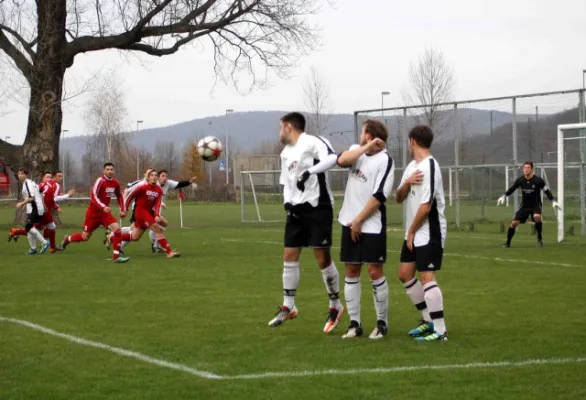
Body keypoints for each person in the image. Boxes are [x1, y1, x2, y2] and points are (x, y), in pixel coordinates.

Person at [267, 112, 344, 334]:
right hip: (296, 210)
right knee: (289, 254)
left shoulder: (312, 141)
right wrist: (287, 203)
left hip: (318, 206)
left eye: (280, 127)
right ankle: (288, 306)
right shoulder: (285, 153)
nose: (279, 131)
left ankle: (335, 306)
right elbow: (285, 183)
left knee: (322, 258)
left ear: (289, 127)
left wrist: (309, 171)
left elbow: (332, 158)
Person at [336, 119, 394, 340]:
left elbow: (380, 196)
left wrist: (359, 220)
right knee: (351, 269)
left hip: (371, 224)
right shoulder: (356, 151)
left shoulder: (386, 161)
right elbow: (341, 160)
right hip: (348, 221)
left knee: (374, 272)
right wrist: (366, 147)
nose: (360, 135)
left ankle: (381, 323)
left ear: (369, 134)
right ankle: (354, 324)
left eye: (363, 132)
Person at [396, 125, 448, 341]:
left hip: (430, 231)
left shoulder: (430, 166)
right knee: (405, 274)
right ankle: (428, 320)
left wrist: (411, 232)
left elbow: (426, 207)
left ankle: (440, 330)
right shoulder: (411, 167)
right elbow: (398, 197)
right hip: (414, 232)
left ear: (412, 141)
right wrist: (407, 183)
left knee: (427, 278)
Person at [61, 162, 128, 263]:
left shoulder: (115, 183)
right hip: (93, 214)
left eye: (111, 169)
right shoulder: (100, 181)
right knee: (85, 237)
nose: (110, 171)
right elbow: (93, 196)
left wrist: (123, 209)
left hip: (104, 214)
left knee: (117, 229)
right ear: (104, 171)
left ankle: (116, 256)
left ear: (113, 171)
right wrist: (103, 206)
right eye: (107, 169)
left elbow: (119, 196)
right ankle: (67, 240)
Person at [497, 161, 561, 248]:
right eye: (524, 168)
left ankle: (539, 238)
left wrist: (553, 200)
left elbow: (547, 191)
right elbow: (512, 189)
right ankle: (507, 243)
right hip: (524, 206)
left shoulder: (538, 180)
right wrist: (504, 196)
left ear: (532, 169)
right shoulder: (520, 180)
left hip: (536, 205)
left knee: (536, 217)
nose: (526, 169)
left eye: (528, 168)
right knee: (514, 223)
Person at [119, 169, 180, 259]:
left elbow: (158, 203)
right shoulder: (143, 187)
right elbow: (130, 196)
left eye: (156, 175)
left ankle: (114, 238)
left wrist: (156, 215)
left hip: (148, 213)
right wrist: (125, 209)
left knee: (135, 237)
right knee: (158, 228)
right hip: (140, 212)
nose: (154, 177)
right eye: (152, 175)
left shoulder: (159, 190)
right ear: (148, 177)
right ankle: (169, 252)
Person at [14, 168, 50, 255]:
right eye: (18, 174)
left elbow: (32, 198)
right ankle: (33, 248)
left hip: (36, 208)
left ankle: (45, 242)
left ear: (26, 175)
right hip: (35, 208)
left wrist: (21, 203)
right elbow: (39, 191)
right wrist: (43, 204)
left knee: (28, 228)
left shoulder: (27, 183)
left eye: (22, 174)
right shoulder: (30, 183)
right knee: (29, 228)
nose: (20, 175)